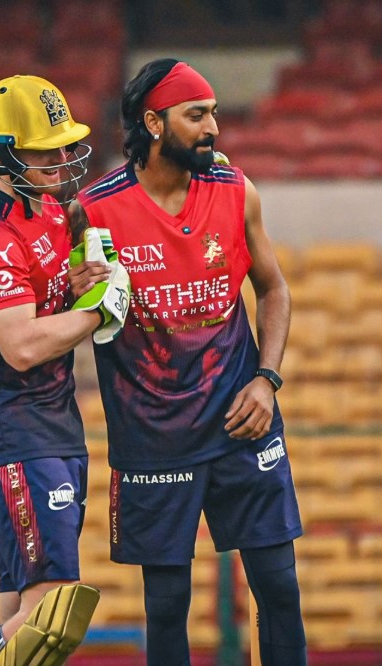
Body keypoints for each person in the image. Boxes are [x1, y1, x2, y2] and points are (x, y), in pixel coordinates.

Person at [67, 58, 307, 665]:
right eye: (196, 115)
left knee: (280, 587)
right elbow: (69, 314)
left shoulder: (236, 191)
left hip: (241, 421)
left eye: (214, 114)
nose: (213, 128)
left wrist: (266, 380)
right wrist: (75, 292)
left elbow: (274, 289)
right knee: (168, 603)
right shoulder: (93, 210)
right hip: (152, 434)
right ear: (153, 123)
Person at [0, 73, 130, 666]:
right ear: (2, 155)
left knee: (25, 612)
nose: (58, 158)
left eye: (61, 146)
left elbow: (42, 301)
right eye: (42, 150)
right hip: (13, 438)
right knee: (53, 609)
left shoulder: (50, 211)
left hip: (50, 431)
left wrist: (77, 286)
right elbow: (22, 346)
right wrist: (98, 311)